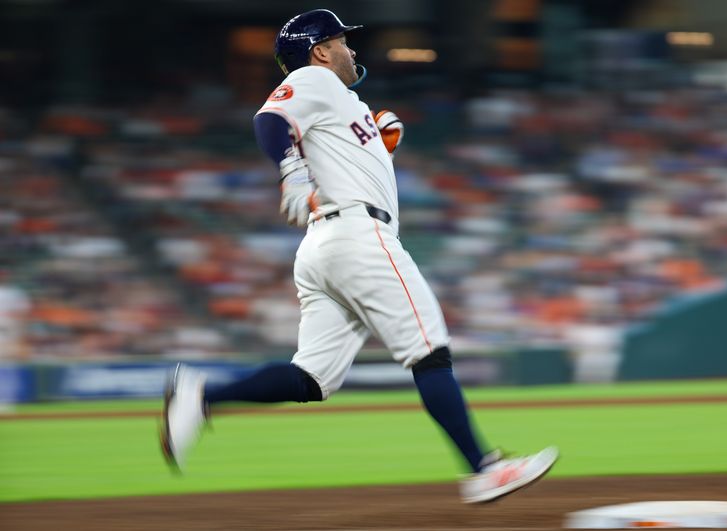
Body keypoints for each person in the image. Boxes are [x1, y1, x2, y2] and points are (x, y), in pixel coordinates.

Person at [160, 8, 558, 504]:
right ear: (320, 50)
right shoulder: (315, 78)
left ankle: (202, 396)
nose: (352, 48)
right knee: (430, 352)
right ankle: (483, 469)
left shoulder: (343, 101)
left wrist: (379, 145)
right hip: (358, 237)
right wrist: (292, 172)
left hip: (326, 247)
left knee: (311, 379)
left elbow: (342, 158)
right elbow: (269, 120)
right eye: (343, 41)